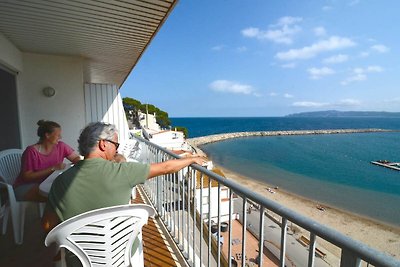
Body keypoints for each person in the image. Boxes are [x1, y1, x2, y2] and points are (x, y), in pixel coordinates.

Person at [42, 122, 205, 231]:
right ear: (103, 144)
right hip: (119, 252)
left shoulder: (60, 181)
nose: (117, 150)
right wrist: (191, 159)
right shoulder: (123, 172)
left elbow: (47, 226)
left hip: (80, 258)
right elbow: (167, 167)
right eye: (116, 145)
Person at [14, 120, 81, 202]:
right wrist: (53, 168)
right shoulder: (31, 151)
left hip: (47, 183)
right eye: (58, 135)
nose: (60, 137)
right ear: (47, 135)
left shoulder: (61, 146)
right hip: (26, 186)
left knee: (68, 192)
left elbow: (75, 158)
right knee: (57, 198)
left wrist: (78, 161)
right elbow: (27, 176)